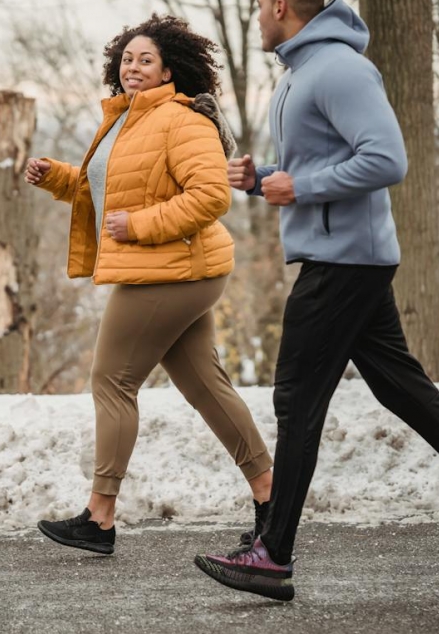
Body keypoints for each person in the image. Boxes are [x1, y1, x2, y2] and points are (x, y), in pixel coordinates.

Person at [193, 0, 439, 602]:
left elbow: (387, 159)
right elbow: (324, 164)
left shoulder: (339, 69)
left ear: (283, 6)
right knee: (399, 386)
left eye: (260, 4)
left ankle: (272, 554)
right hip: (341, 253)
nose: (257, 14)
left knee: (296, 398)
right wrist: (267, 178)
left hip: (344, 261)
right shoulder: (303, 72)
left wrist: (300, 185)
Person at [24, 14, 274, 556]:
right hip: (174, 270)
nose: (132, 67)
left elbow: (211, 197)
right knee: (204, 385)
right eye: (127, 58)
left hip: (169, 270)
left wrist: (137, 226)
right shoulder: (125, 121)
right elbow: (110, 191)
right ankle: (270, 497)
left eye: (146, 60)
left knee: (112, 380)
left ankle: (100, 517)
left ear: (170, 71)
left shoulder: (182, 121)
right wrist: (57, 177)